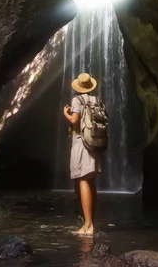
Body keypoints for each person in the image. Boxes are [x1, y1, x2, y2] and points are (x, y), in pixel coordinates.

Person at [63, 72, 101, 236]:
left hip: (81, 143)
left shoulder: (77, 100)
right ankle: (90, 221)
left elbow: (74, 120)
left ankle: (88, 226)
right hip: (95, 143)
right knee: (91, 182)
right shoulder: (96, 100)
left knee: (83, 180)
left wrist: (66, 113)